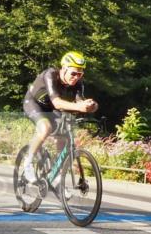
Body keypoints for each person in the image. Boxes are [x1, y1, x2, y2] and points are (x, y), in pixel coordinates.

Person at [21, 51, 98, 183]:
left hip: (52, 108)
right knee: (45, 128)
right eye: (73, 73)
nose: (76, 77)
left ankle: (56, 177)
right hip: (34, 104)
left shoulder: (78, 83)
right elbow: (57, 102)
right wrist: (79, 107)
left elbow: (80, 102)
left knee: (64, 136)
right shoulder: (50, 75)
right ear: (64, 69)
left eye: (80, 74)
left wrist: (91, 105)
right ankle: (27, 163)